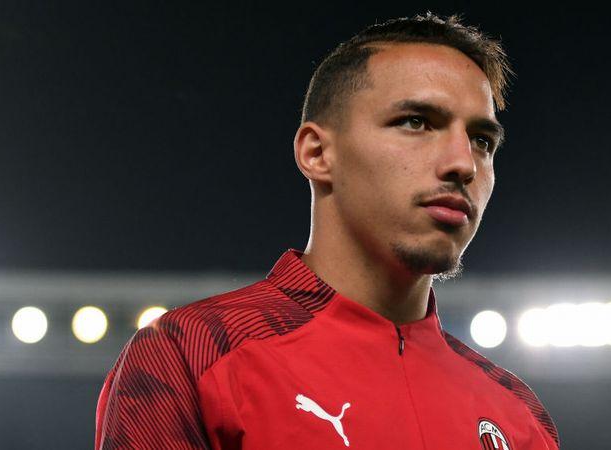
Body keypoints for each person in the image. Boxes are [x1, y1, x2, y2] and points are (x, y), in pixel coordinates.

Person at [95, 13, 559, 450]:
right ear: (317, 154)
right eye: (416, 122)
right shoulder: (191, 355)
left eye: (482, 141)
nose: (463, 163)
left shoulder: (519, 415)